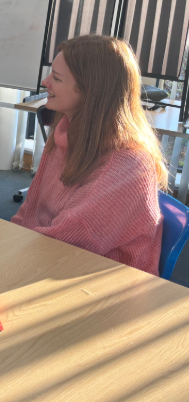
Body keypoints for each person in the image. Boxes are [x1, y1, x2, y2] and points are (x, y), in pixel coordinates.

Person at [12, 35, 167, 275]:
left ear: (90, 90)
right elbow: (32, 208)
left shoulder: (129, 164)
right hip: (53, 263)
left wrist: (7, 251)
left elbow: (71, 240)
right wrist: (7, 239)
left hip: (104, 284)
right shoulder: (65, 131)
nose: (45, 82)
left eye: (56, 78)